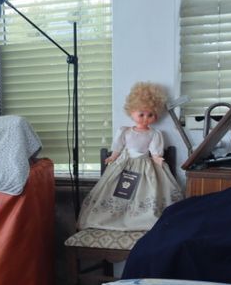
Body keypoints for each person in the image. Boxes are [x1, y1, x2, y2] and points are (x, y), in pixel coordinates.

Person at [78, 81, 184, 231]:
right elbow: (118, 147)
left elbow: (154, 151)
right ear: (131, 111)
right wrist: (113, 157)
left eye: (150, 115)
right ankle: (115, 216)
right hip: (124, 165)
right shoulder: (125, 131)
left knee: (147, 191)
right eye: (141, 114)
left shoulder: (154, 133)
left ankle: (141, 217)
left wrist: (157, 158)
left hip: (145, 166)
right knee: (116, 190)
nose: (145, 118)